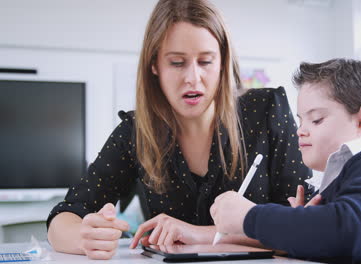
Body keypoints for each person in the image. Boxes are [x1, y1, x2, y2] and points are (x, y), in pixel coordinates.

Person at [46, 0, 312, 260]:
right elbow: (64, 216)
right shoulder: (136, 131)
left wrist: (199, 233)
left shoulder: (266, 111)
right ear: (154, 66)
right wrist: (84, 236)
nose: (192, 78)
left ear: (222, 63)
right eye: (176, 63)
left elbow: (306, 223)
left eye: (206, 61)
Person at [210, 59, 361, 263]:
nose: (300, 131)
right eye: (300, 121)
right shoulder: (348, 178)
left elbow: (347, 235)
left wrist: (250, 216)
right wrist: (302, 227)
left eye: (316, 120)